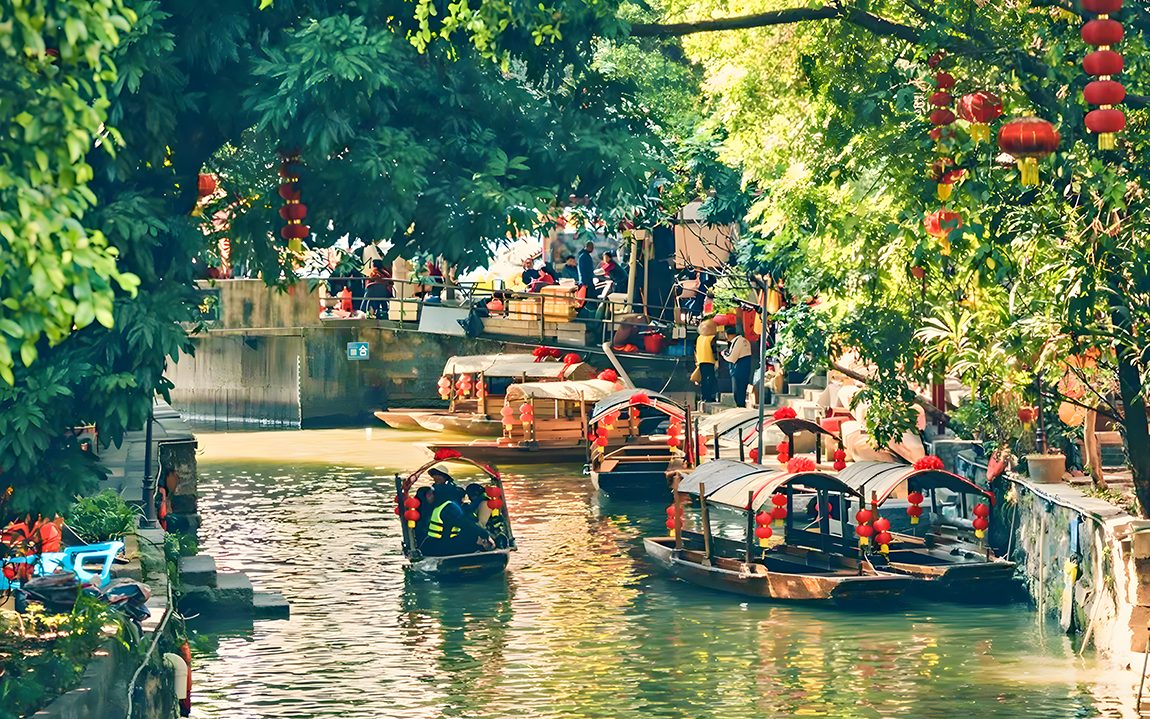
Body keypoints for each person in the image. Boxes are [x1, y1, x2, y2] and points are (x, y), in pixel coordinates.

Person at [420, 485, 493, 557]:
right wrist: (483, 533)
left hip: (434, 543)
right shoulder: (449, 507)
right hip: (438, 546)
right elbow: (463, 523)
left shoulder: (443, 505)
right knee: (473, 542)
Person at [722, 326, 754, 408]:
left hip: (738, 370)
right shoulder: (744, 340)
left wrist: (724, 355)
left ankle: (740, 406)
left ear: (730, 335)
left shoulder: (737, 341)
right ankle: (741, 405)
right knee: (742, 389)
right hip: (746, 368)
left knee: (737, 390)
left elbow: (732, 358)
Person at [695, 319, 718, 403]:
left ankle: (704, 397)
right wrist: (716, 360)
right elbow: (714, 350)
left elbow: (696, 350)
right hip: (710, 361)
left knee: (704, 380)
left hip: (701, 361)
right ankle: (709, 397)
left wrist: (697, 362)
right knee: (710, 379)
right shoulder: (712, 338)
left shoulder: (699, 338)